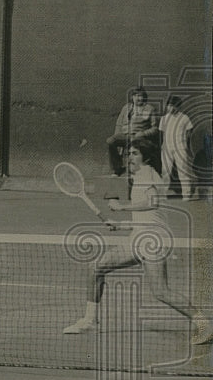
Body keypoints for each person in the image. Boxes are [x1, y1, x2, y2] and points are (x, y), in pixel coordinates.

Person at [62, 140, 212, 345]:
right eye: (128, 153)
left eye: (134, 153)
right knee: (96, 267)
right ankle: (90, 320)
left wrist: (122, 206)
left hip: (153, 241)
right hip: (139, 238)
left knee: (161, 291)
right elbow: (145, 218)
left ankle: (205, 324)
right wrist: (121, 224)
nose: (129, 157)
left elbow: (153, 202)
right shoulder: (141, 177)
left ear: (146, 157)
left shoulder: (147, 173)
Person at [107, 87, 159, 176]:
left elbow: (155, 129)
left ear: (144, 97)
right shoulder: (126, 108)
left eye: (140, 96)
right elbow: (119, 124)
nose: (137, 98)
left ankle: (137, 171)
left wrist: (143, 133)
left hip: (139, 137)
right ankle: (118, 169)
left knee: (136, 146)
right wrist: (118, 136)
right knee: (111, 141)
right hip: (125, 135)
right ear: (132, 97)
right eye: (135, 96)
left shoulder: (149, 109)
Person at [159, 96, 196, 201]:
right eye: (169, 106)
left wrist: (186, 146)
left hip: (180, 147)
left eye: (173, 106)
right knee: (165, 171)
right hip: (167, 147)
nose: (170, 108)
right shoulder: (164, 118)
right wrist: (162, 145)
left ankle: (186, 194)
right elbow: (161, 133)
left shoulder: (184, 118)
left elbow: (189, 132)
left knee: (183, 170)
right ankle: (163, 194)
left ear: (178, 107)